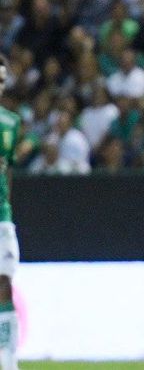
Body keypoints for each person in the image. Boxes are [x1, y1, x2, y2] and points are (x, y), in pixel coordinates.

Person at [0, 56, 21, 369]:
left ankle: (7, 359)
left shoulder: (10, 123)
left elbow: (9, 171)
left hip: (1, 217)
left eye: (2, 80)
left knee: (4, 282)